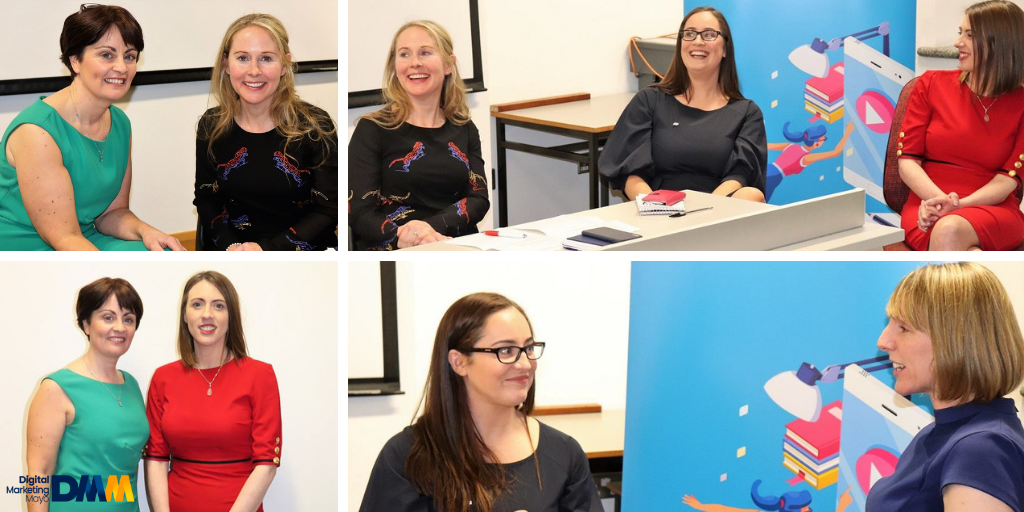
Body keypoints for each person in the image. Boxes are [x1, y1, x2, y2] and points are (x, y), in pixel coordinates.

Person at [359, 292, 603, 511]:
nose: (525, 364)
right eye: (505, 350)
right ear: (459, 362)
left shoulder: (564, 453)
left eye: (528, 348)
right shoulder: (407, 456)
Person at [0, 4, 183, 251]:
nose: (121, 67)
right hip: (27, 249)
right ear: (75, 60)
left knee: (161, 253)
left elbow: (112, 213)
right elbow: (64, 238)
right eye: (107, 55)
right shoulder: (37, 132)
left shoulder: (119, 122)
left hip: (83, 238)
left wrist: (147, 231)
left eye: (129, 56)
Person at [866, 262, 1024, 511]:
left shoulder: (980, 448)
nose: (883, 341)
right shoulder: (941, 432)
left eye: (904, 328)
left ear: (956, 341)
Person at [196, 14, 338, 251]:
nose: (254, 71)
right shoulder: (211, 125)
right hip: (233, 252)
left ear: (285, 65)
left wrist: (266, 250)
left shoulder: (316, 126)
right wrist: (232, 246)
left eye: (266, 59)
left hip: (301, 252)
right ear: (226, 64)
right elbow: (206, 198)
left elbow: (327, 210)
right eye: (242, 58)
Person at [144, 271, 282, 511]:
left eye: (218, 306)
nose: (207, 314)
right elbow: (155, 459)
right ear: (185, 316)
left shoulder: (260, 375)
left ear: (231, 317)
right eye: (197, 304)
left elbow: (267, 464)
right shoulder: (163, 378)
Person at [599, 6, 767, 203]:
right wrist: (655, 205)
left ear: (725, 49)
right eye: (689, 34)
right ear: (680, 45)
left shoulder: (747, 113)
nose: (698, 41)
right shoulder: (649, 100)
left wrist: (700, 210)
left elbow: (741, 175)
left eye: (709, 35)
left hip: (717, 211)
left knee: (751, 196)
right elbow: (629, 170)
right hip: (658, 208)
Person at [349, 20, 489, 251]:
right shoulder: (372, 129)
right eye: (404, 54)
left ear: (448, 65)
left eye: (425, 53)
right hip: (394, 248)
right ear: (394, 66)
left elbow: (478, 199)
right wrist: (408, 237)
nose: (415, 63)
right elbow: (358, 210)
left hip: (453, 245)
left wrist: (428, 229)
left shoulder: (465, 127)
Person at [897, 0, 1024, 250]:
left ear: (1000, 43)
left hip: (992, 207)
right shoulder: (930, 84)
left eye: (969, 35)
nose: (958, 42)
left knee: (951, 228)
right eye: (960, 32)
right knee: (965, 246)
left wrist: (958, 206)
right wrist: (938, 200)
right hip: (927, 202)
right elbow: (907, 161)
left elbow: (1008, 181)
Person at [25, 278, 149, 511]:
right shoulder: (57, 387)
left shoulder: (131, 384)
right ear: (86, 325)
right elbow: (39, 473)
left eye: (128, 319)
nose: (120, 328)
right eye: (108, 317)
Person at [765, 122, 854, 202]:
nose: (824, 140)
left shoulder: (790, 145)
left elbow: (765, 145)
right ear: (816, 143)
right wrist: (847, 133)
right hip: (773, 178)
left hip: (766, 168)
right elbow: (835, 153)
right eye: (823, 139)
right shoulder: (806, 158)